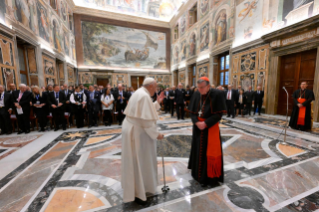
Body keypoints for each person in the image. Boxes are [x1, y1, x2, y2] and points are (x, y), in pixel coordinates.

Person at [121, 77, 165, 205]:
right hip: (138, 133)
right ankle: (139, 192)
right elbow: (146, 122)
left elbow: (143, 110)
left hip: (132, 129)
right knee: (140, 161)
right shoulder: (144, 96)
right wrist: (157, 134)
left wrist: (157, 103)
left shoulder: (139, 92)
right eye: (156, 87)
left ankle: (135, 188)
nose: (156, 90)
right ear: (151, 86)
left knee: (134, 161)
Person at [188, 77, 226, 187]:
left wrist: (205, 123)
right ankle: (197, 175)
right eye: (198, 87)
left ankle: (208, 177)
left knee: (207, 152)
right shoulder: (196, 93)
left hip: (210, 128)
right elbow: (192, 112)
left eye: (202, 88)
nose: (199, 90)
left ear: (208, 86)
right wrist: (196, 122)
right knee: (198, 151)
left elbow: (219, 114)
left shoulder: (217, 94)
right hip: (197, 129)